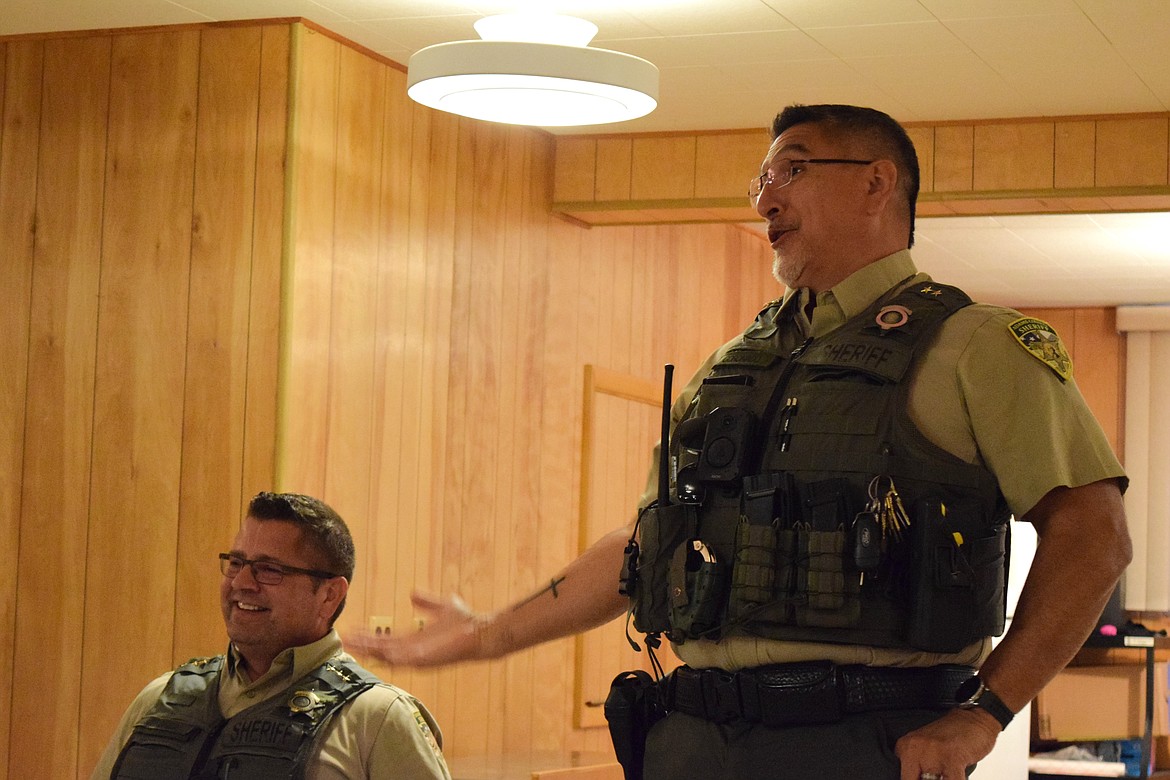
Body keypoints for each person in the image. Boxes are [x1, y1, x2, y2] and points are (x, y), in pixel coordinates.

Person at [347, 104, 1132, 780]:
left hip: (864, 743)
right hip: (693, 738)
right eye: (760, 181)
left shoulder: (978, 345)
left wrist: (987, 712)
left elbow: (1094, 539)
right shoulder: (734, 361)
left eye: (790, 171)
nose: (764, 200)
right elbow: (646, 543)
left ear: (875, 181)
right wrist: (489, 634)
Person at [92, 491, 451, 780]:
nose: (241, 583)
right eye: (236, 563)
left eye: (269, 570)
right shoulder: (158, 698)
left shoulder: (377, 719)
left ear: (329, 595)